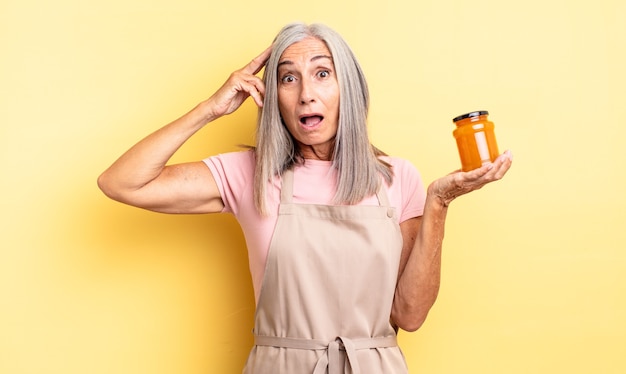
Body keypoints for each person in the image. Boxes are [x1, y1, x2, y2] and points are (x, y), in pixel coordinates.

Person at [98, 22, 512, 373]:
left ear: (347, 88)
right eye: (288, 77)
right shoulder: (251, 174)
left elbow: (409, 315)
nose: (306, 94)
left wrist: (438, 203)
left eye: (322, 73)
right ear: (274, 97)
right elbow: (122, 182)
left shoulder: (397, 178)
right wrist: (210, 109)